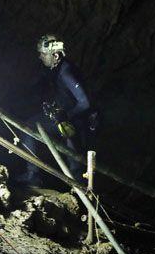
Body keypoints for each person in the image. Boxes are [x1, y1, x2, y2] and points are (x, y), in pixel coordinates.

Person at [15, 34, 97, 186]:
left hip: (74, 122)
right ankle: (76, 190)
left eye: (43, 54)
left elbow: (85, 103)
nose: (40, 57)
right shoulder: (57, 67)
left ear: (56, 55)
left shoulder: (66, 73)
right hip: (68, 120)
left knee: (29, 127)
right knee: (74, 161)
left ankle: (33, 175)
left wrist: (65, 116)